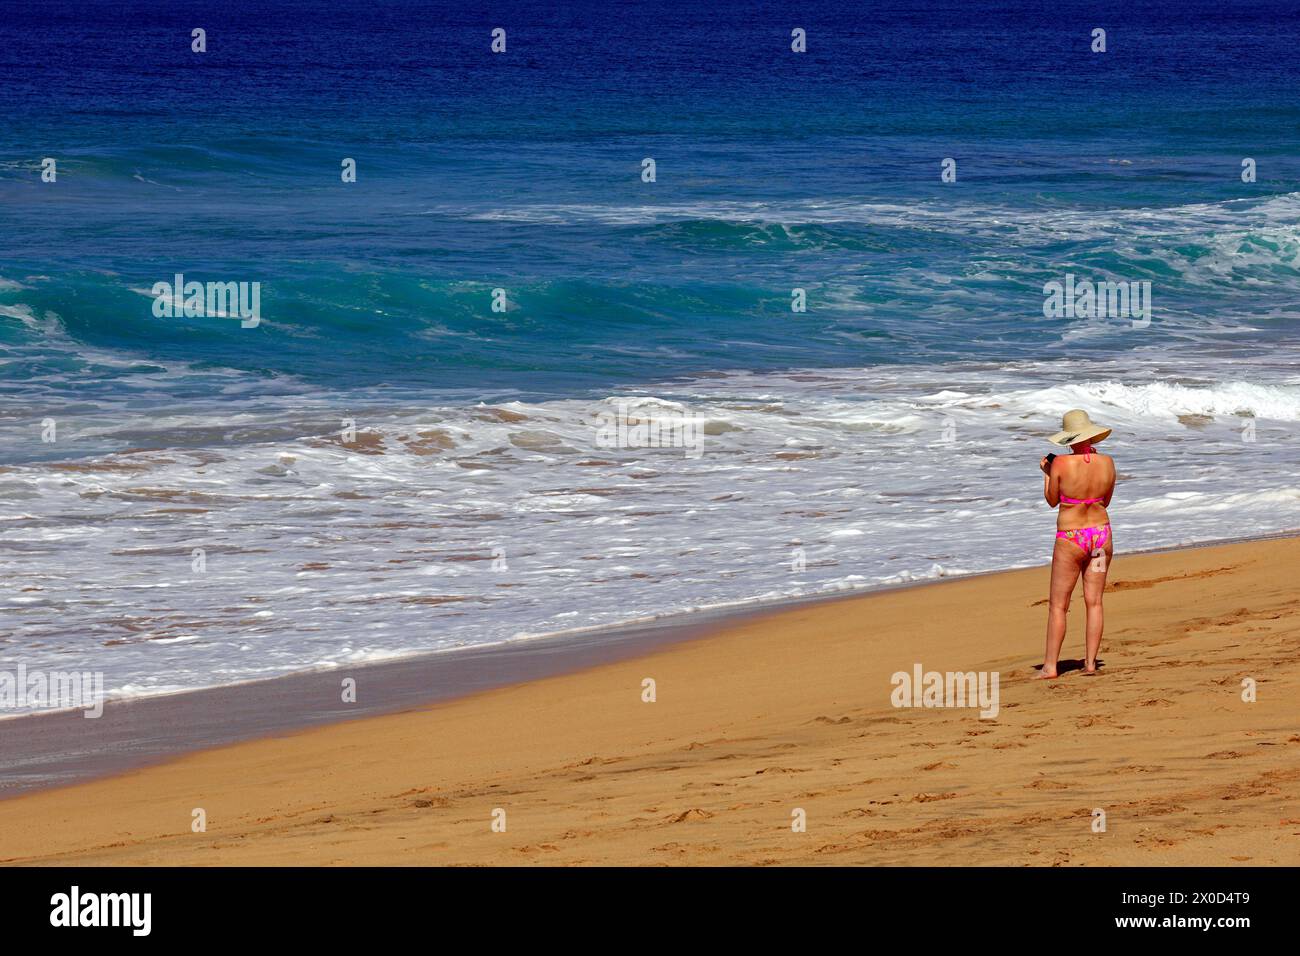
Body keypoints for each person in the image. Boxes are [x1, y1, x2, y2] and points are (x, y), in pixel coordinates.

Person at [1038, 409, 1116, 679]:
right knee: (1094, 602)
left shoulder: (1059, 463)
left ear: (1070, 438)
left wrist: (1047, 473)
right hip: (1101, 534)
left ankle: (1050, 667)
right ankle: (1091, 663)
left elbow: (1052, 500)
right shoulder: (1107, 462)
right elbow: (1105, 501)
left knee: (1059, 605)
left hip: (1072, 537)